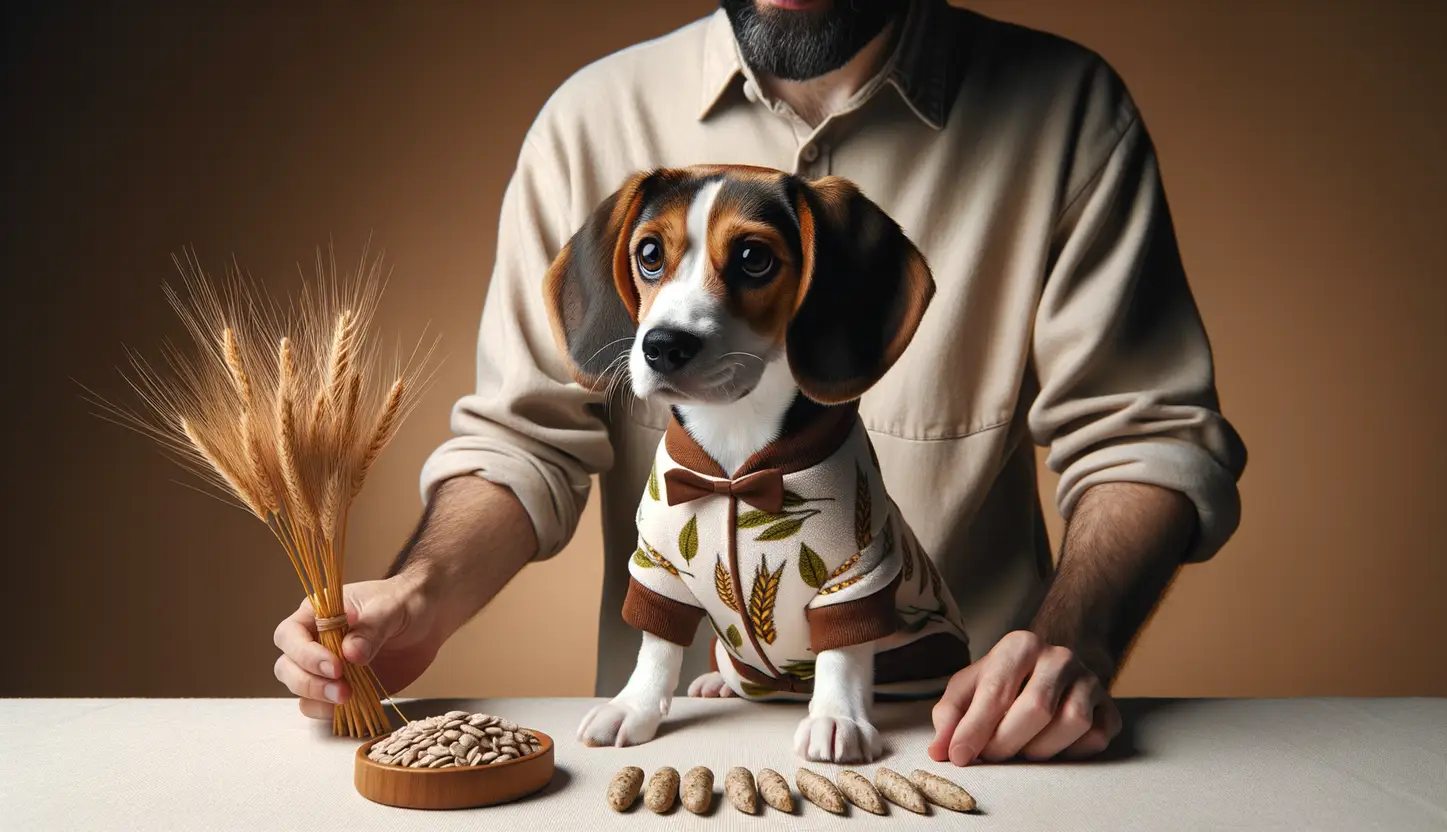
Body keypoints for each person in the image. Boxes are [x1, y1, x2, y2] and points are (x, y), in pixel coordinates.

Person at [272, 0, 1246, 765]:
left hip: (964, 739)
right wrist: (419, 593)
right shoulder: (589, 120)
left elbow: (1143, 433)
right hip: (678, 748)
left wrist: (1065, 645)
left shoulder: (1069, 112)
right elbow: (524, 437)